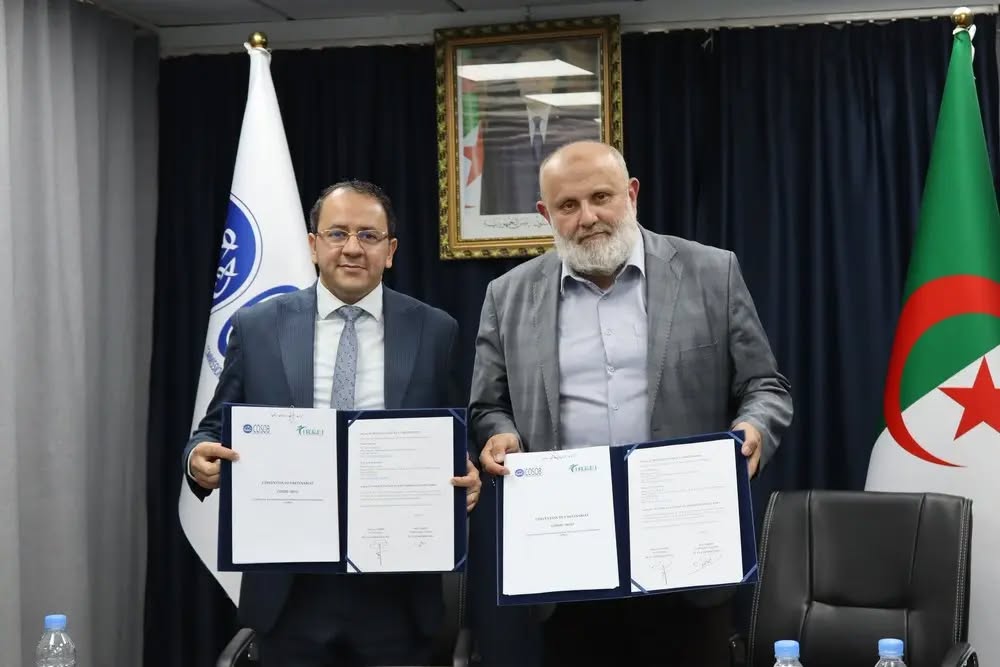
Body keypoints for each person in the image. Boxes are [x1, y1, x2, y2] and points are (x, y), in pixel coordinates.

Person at [468, 141, 793, 667]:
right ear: (546, 215)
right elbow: (487, 405)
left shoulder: (712, 272)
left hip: (686, 561)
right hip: (567, 564)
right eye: (568, 206)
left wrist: (754, 428)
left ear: (632, 194)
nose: (588, 217)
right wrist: (498, 434)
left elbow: (765, 386)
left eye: (601, 197)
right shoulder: (508, 296)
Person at [183, 180, 481, 667]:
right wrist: (198, 457)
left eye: (369, 235)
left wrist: (466, 470)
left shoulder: (435, 330)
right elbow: (213, 428)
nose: (352, 248)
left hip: (396, 591)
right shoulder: (258, 327)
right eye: (338, 233)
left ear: (391, 251)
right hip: (290, 589)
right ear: (313, 244)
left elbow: (455, 435)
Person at [479, 47, 600, 216]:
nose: (533, 81)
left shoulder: (580, 128)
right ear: (517, 81)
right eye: (526, 74)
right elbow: (491, 191)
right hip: (514, 226)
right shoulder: (499, 133)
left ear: (554, 80)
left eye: (541, 73)